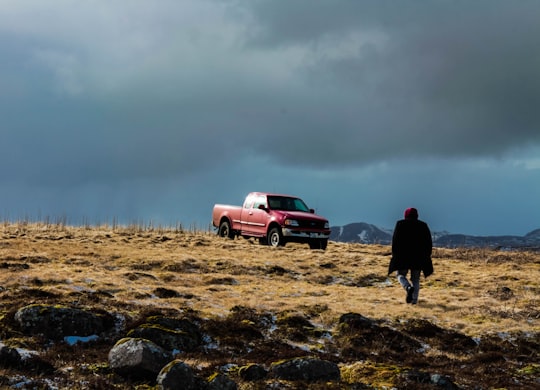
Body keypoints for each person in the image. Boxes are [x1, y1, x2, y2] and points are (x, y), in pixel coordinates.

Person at [388, 207, 433, 304]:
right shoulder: (423, 226)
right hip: (418, 258)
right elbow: (428, 243)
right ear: (417, 215)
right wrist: (427, 256)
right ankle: (414, 301)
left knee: (400, 275)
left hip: (403, 257)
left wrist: (395, 255)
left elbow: (395, 241)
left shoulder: (400, 224)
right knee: (415, 279)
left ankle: (407, 287)